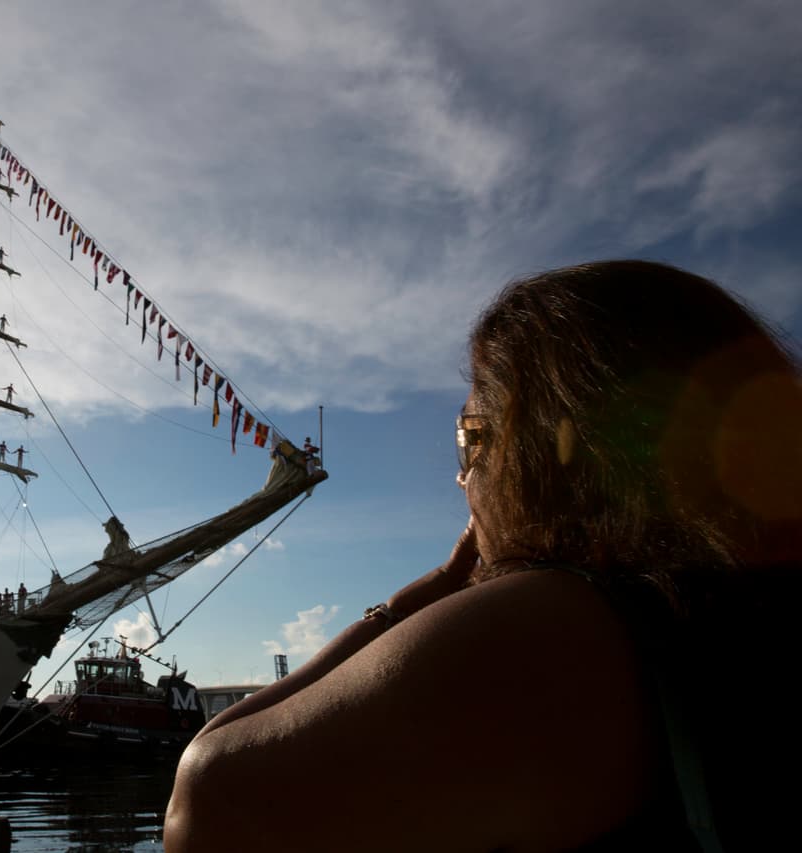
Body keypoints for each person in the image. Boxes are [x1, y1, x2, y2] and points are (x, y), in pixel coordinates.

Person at [165, 261, 802, 851]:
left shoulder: (553, 626)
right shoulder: (725, 614)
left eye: (469, 440)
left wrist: (424, 593)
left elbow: (209, 800)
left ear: (548, 445)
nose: (463, 479)